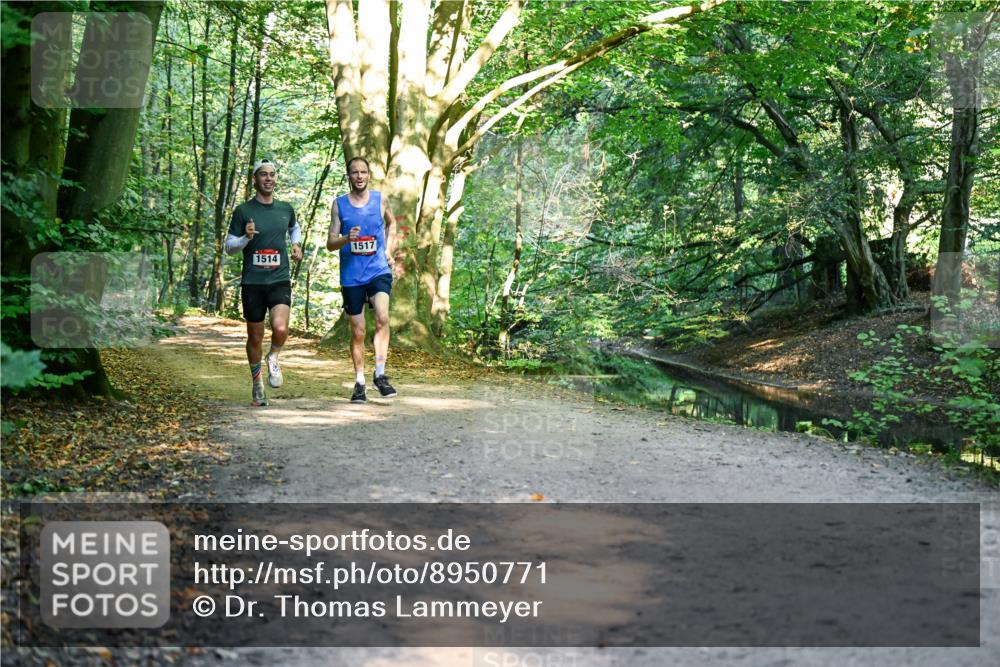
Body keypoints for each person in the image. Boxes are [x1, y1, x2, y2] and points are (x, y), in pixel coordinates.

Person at [225, 159, 303, 407]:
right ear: (255, 179)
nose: (269, 179)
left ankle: (274, 357)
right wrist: (246, 238)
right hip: (253, 282)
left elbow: (295, 228)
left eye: (272, 175)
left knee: (281, 329)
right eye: (263, 175)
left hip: (279, 278)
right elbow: (229, 248)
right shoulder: (243, 211)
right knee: (255, 336)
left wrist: (296, 244)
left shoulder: (285, 209)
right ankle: (257, 384)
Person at [326, 156, 398, 403]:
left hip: (378, 270)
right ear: (348, 176)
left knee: (382, 316)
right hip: (352, 276)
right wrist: (346, 238)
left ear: (369, 175)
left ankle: (380, 374)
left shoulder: (380, 200)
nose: (359, 176)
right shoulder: (339, 205)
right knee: (358, 331)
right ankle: (359, 382)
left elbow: (392, 224)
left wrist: (388, 250)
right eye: (354, 172)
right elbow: (329, 244)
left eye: (363, 172)